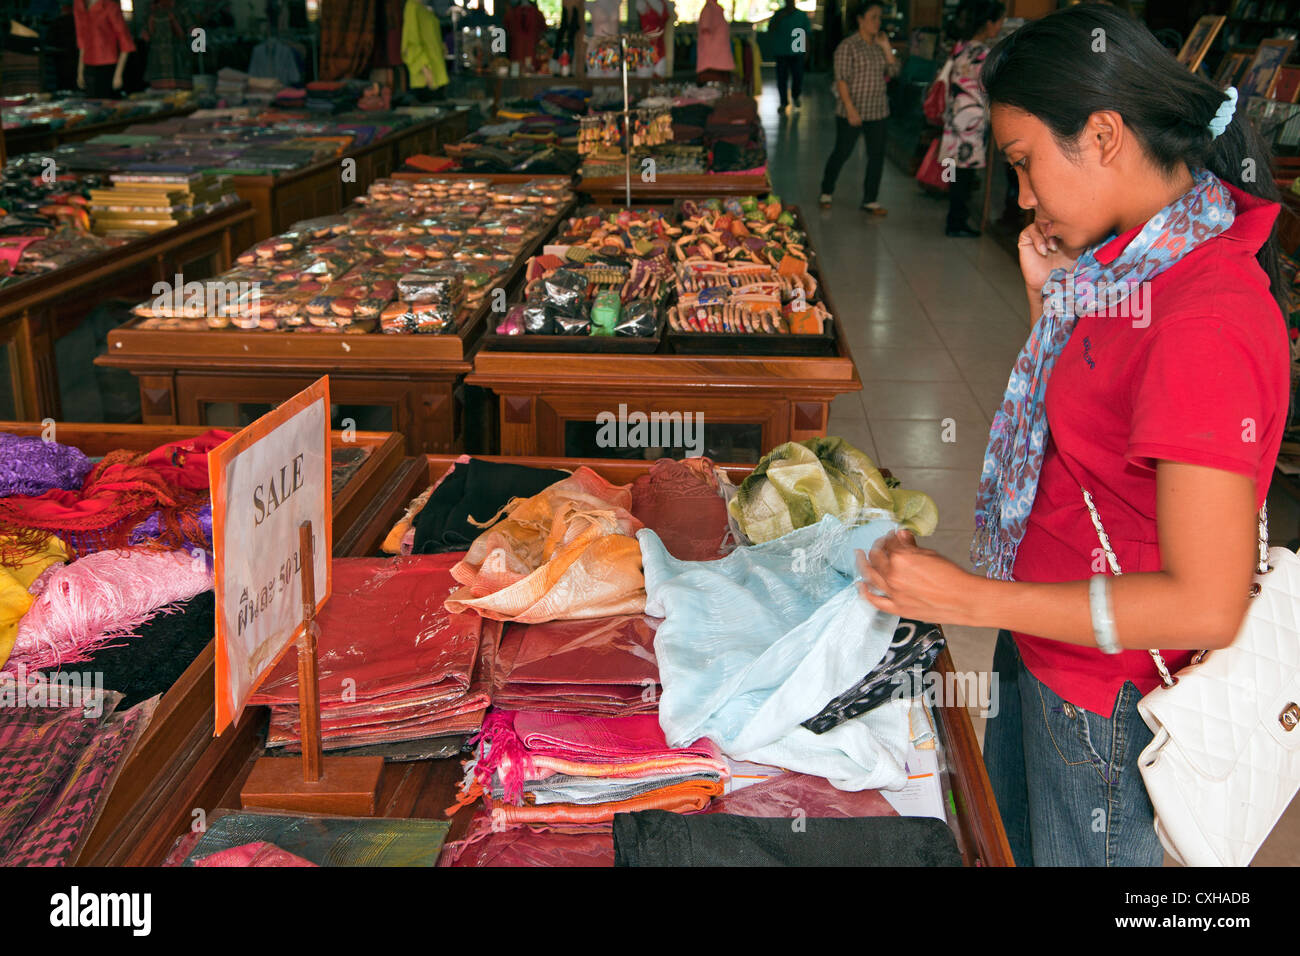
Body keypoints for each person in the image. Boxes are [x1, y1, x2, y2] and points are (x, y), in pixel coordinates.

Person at [856, 4, 1289, 866]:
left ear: (1100, 135)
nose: (1021, 196)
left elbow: (1206, 602)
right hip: (1046, 645)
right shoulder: (1137, 262)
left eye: (1024, 164)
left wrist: (969, 602)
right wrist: (1053, 310)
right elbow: (1089, 433)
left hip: (1106, 699)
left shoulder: (1203, 317)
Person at [819, 2, 898, 213]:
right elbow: (841, 80)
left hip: (878, 110)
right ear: (860, 20)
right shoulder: (848, 46)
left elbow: (894, 72)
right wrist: (850, 109)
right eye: (873, 17)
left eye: (879, 18)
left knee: (877, 155)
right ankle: (826, 191)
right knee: (842, 152)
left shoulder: (878, 45)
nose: (877, 22)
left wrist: (886, 49)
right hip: (851, 111)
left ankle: (870, 199)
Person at [940, 0, 1005, 237]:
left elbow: (947, 78)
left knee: (957, 172)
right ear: (988, 23)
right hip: (973, 120)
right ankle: (956, 222)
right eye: (999, 22)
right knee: (965, 174)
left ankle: (954, 218)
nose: (1000, 27)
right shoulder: (985, 54)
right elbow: (990, 88)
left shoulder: (960, 47)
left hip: (955, 115)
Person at [74, 0, 133, 98]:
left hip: (108, 65)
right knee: (91, 105)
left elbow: (125, 41)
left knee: (108, 105)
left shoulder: (109, 6)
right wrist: (80, 71)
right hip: (88, 66)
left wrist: (118, 74)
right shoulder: (79, 5)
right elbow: (82, 40)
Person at [770, 0, 811, 112]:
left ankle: (796, 96)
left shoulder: (801, 15)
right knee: (781, 78)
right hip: (781, 51)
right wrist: (779, 18)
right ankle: (783, 102)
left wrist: (807, 50)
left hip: (797, 51)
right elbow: (771, 29)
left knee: (798, 77)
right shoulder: (778, 14)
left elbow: (806, 33)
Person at [695, 0, 734, 83]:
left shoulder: (716, 9)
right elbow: (705, 32)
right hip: (712, 65)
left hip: (719, 63)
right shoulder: (708, 10)